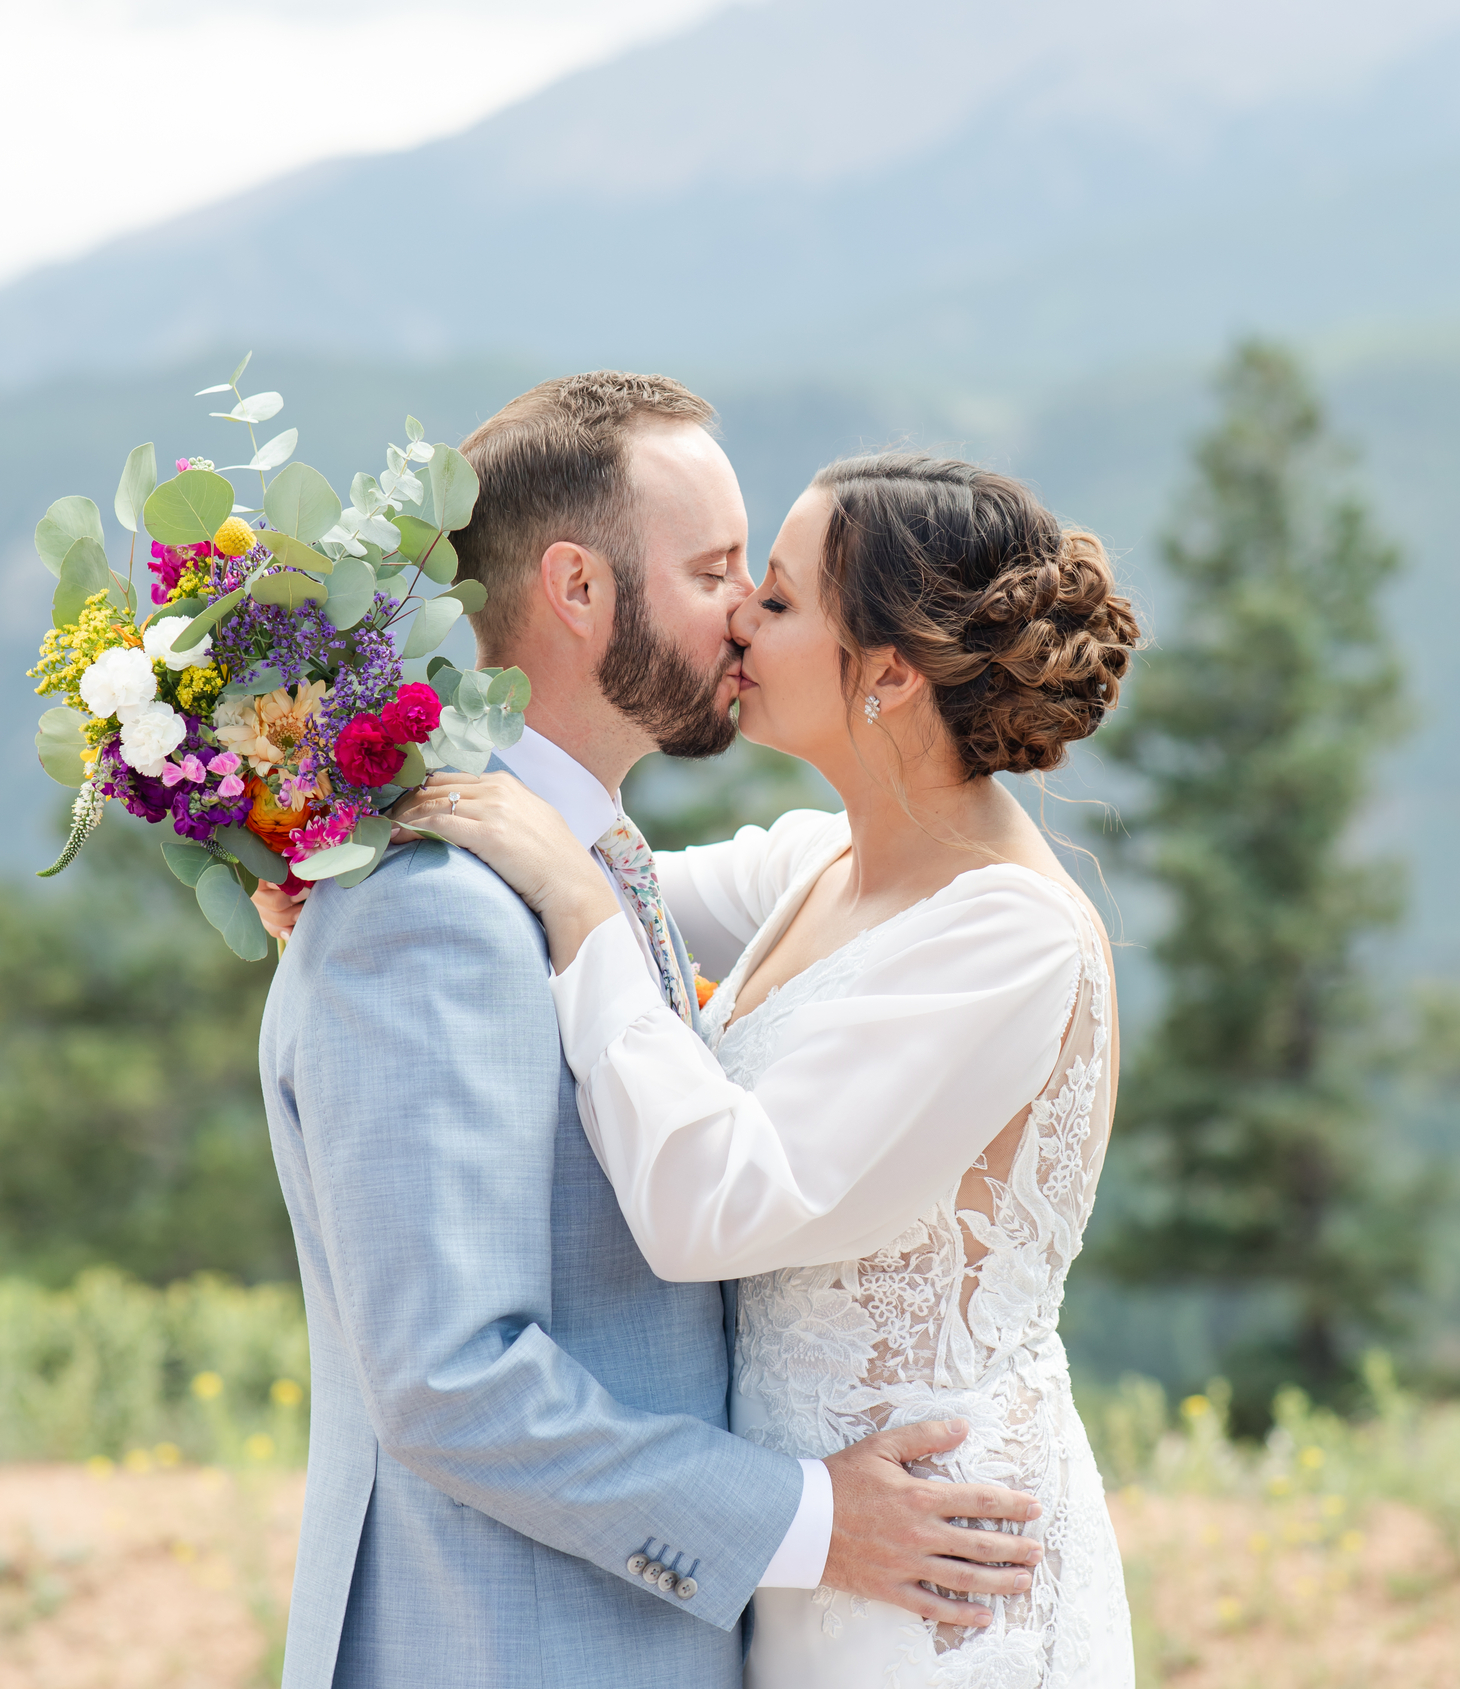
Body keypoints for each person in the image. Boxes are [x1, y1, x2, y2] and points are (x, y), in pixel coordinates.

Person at [254, 377, 1043, 1689]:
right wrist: (809, 1523)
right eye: (716, 570)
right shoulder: (430, 911)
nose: (746, 612)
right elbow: (449, 1380)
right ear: (578, 589)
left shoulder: (581, 868)